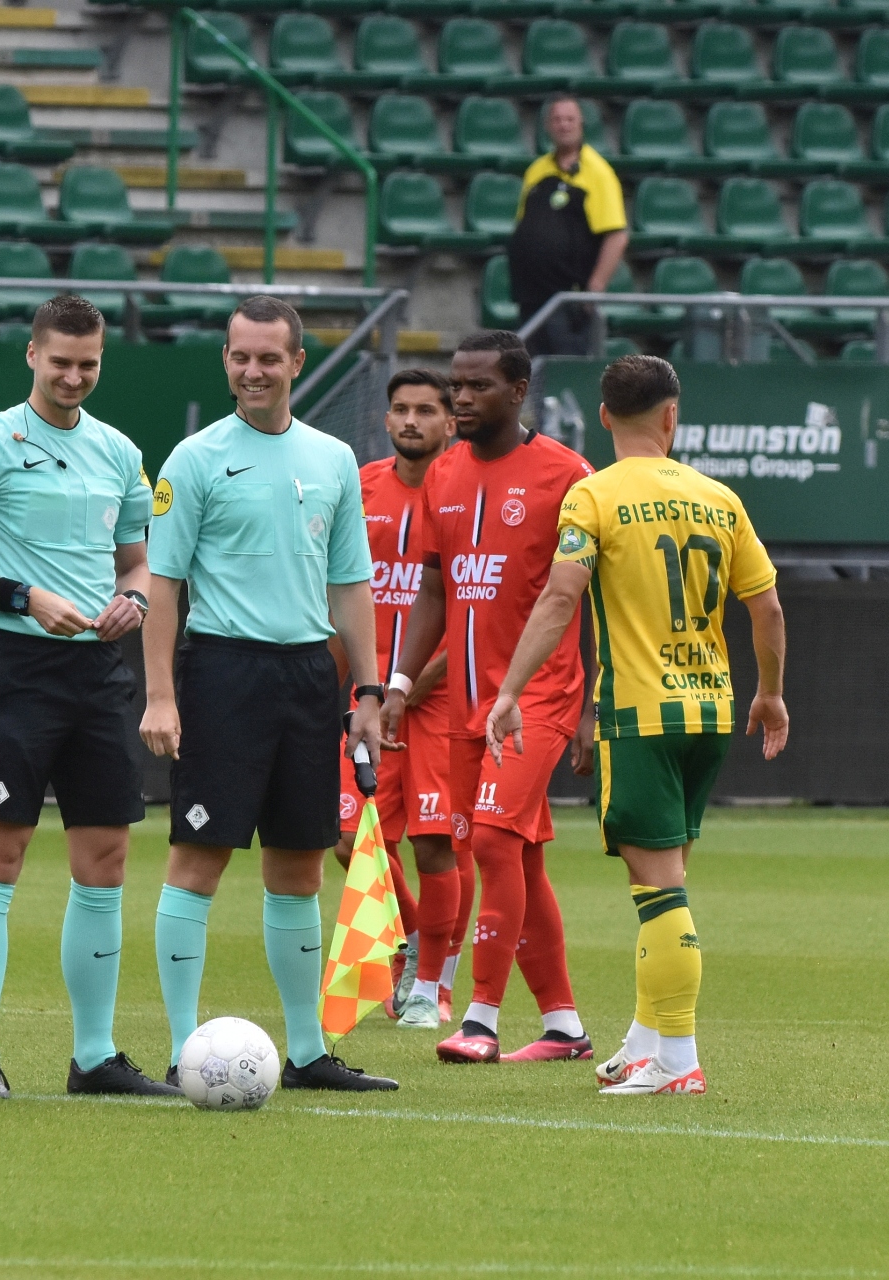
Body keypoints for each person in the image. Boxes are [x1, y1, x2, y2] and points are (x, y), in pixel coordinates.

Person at [487, 354, 788, 1096]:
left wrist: (510, 691)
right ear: (671, 416)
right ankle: (644, 1040)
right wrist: (771, 696)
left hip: (643, 716)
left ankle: (678, 1063)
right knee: (666, 875)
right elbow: (768, 608)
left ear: (602, 418)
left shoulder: (593, 496)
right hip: (712, 709)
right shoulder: (720, 498)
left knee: (659, 892)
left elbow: (560, 600)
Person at [139, 295, 398, 1093]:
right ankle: (189, 1049)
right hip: (223, 673)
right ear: (226, 360)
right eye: (240, 356)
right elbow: (164, 584)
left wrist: (367, 689)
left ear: (297, 363)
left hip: (307, 679)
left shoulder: (331, 461)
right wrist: (159, 695)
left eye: (268, 357)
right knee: (198, 860)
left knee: (299, 867)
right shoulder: (192, 460)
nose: (253, 370)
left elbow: (350, 584)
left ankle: (310, 1050)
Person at [0, 294, 171, 1100]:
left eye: (88, 364)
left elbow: (137, 562)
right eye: (60, 361)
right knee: (0, 853)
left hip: (99, 678)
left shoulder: (119, 450)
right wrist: (23, 595)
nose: (73, 376)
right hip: (18, 671)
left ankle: (94, 1056)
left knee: (105, 859)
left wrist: (132, 601)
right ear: (31, 355)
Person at [382, 330, 596, 1067]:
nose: (461, 399)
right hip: (465, 707)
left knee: (498, 840)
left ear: (518, 391)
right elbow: (435, 588)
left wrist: (591, 705)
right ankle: (564, 1024)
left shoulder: (568, 475)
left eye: (476, 387)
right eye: (456, 386)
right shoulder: (442, 475)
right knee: (520, 857)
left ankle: (479, 1016)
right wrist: (400, 683)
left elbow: (585, 597)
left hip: (539, 694)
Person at [329, 369, 458, 1030]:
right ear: (386, 420)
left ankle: (434, 983)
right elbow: (336, 590)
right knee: (353, 842)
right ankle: (409, 948)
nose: (411, 421)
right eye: (401, 410)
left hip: (437, 698)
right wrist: (355, 688)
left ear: (450, 422)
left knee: (437, 844)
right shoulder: (360, 489)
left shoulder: (462, 491)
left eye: (426, 411)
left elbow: (471, 608)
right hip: (368, 695)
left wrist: (409, 689)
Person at [508, 96, 629, 358]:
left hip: (567, 302)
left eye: (570, 119)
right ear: (548, 126)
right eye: (557, 119)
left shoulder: (598, 172)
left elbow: (616, 236)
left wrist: (594, 289)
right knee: (530, 375)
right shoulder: (536, 171)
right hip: (530, 298)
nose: (564, 125)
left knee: (562, 372)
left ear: (581, 124)